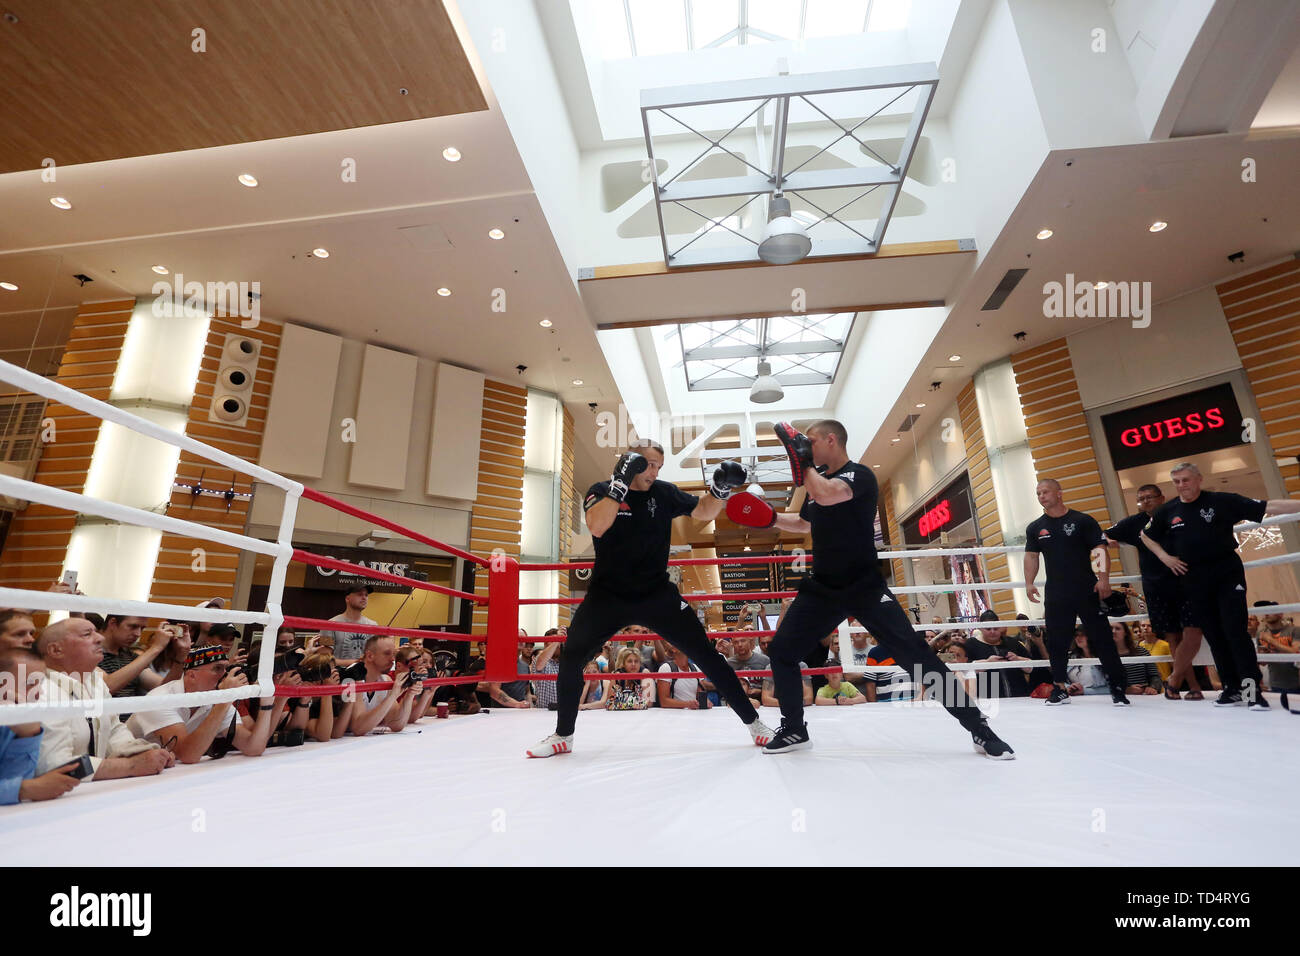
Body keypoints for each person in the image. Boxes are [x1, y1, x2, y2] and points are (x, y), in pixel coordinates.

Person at [748, 421, 1012, 758]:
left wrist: (805, 465)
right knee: (783, 650)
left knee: (916, 656)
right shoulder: (817, 485)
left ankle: (979, 728)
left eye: (810, 442)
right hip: (824, 587)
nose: (805, 448)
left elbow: (829, 494)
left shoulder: (859, 476)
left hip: (864, 585)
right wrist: (769, 518)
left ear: (832, 440)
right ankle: (795, 730)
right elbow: (804, 523)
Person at [526, 440, 774, 757]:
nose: (654, 472)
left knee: (708, 656)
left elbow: (702, 511)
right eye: (648, 465)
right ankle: (563, 736)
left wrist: (719, 490)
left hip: (656, 592)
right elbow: (598, 527)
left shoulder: (664, 492)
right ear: (631, 462)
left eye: (659, 465)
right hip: (608, 594)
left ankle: (755, 724)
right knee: (572, 655)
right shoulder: (601, 489)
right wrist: (619, 484)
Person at [1140, 461, 1300, 709]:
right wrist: (1165, 557)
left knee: (1235, 632)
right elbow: (1145, 535)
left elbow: (1269, 505)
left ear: (1198, 479)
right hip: (1193, 578)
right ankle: (1231, 689)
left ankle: (1251, 692)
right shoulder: (1168, 510)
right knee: (1214, 635)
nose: (1182, 486)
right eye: (1177, 482)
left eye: (1186, 480)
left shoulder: (1222, 501)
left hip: (1226, 573)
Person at [1023, 478, 1130, 706]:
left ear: (1059, 493)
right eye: (1038, 493)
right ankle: (1059, 687)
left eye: (1046, 492)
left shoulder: (1082, 521)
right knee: (1057, 641)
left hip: (1087, 588)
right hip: (1056, 592)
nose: (1041, 496)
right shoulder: (1035, 528)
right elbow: (1031, 556)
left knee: (1102, 638)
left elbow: (1100, 548)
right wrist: (1029, 582)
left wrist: (1103, 579)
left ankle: (1118, 687)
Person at [35, 618, 175, 780]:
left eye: (96, 631)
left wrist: (148, 752)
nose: (100, 638)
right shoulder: (39, 691)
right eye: (87, 634)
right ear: (56, 650)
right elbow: (53, 765)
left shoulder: (94, 682)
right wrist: (131, 765)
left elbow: (114, 730)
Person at [1104, 484, 1204, 700]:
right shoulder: (1134, 523)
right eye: (1141, 498)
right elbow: (1103, 534)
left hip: (1187, 581)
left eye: (1150, 497)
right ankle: (1186, 686)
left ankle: (1184, 682)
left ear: (1162, 498)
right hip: (1156, 586)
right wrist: (1107, 540)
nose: (1146, 501)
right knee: (1173, 637)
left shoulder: (1176, 514)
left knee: (1193, 632)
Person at [127, 645, 283, 761]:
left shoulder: (217, 699)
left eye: (226, 668)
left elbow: (253, 747)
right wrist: (224, 700)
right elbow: (188, 755)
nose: (225, 675)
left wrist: (267, 705)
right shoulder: (161, 698)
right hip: (126, 769)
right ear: (191, 675)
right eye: (217, 668)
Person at [1, 648, 81, 804]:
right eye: (30, 684)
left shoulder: (22, 720)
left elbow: (12, 778)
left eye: (40, 683)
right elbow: (23, 786)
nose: (38, 694)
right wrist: (25, 789)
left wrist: (28, 734)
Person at [336, 635, 416, 735]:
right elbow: (358, 728)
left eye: (394, 654)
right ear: (370, 656)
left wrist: (409, 695)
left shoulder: (385, 679)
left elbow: (396, 725)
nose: (392, 659)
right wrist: (392, 696)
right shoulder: (351, 676)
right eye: (387, 654)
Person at [965, 609, 1034, 698]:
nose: (992, 631)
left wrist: (1017, 659)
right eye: (988, 629)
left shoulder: (1012, 642)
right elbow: (964, 671)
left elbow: (1031, 668)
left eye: (996, 628)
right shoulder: (971, 644)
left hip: (1019, 696)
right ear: (980, 628)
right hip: (987, 700)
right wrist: (988, 663)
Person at [319, 584, 377, 667]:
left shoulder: (373, 625)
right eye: (359, 594)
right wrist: (356, 662)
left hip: (365, 677)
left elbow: (376, 657)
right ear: (347, 598)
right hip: (338, 676)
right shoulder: (329, 624)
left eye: (366, 595)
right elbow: (324, 659)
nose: (364, 598)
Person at [1251, 600, 1299, 695]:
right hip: (1275, 684)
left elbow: (1296, 652)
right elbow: (1263, 663)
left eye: (1270, 610)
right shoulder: (1261, 634)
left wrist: (1271, 640)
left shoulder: (1294, 630)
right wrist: (1264, 655)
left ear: (1280, 614)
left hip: (1296, 684)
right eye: (1264, 611)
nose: (1266, 613)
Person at [1112, 622, 1162, 695]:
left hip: (1144, 696)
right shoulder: (1105, 655)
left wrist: (1153, 687)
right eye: (1110, 628)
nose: (1113, 631)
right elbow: (1104, 682)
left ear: (1125, 632)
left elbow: (1155, 675)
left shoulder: (1142, 651)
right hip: (1119, 697)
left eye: (1117, 629)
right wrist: (1125, 689)